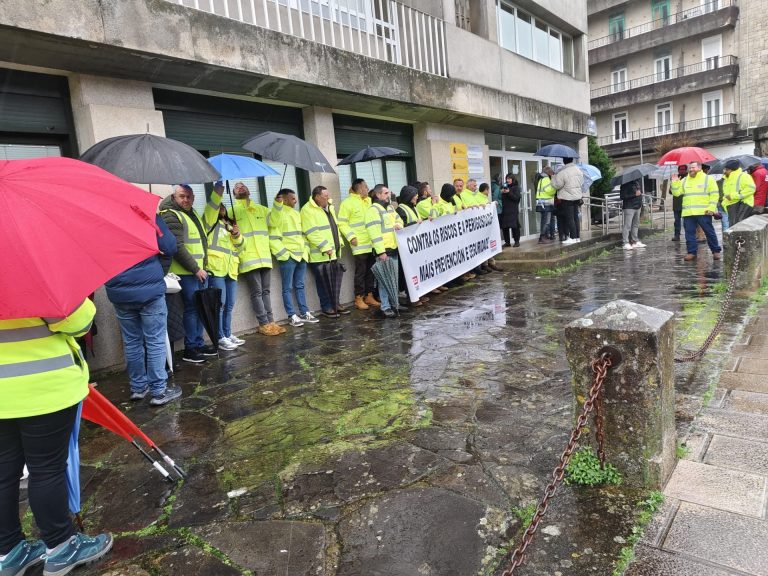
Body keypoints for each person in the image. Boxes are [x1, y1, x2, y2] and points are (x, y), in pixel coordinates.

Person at [0, 300, 113, 576]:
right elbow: (78, 322)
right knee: (46, 468)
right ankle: (62, 545)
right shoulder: (30, 272)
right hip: (43, 389)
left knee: (3, 472)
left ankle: (9, 551)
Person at [105, 214, 182, 404]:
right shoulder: (143, 214)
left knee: (131, 341)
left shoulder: (102, 217)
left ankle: (138, 388)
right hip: (148, 287)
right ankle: (158, 391)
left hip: (118, 289)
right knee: (155, 340)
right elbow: (170, 246)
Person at [159, 184, 222, 363]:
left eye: (188, 196)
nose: (185, 199)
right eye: (182, 196)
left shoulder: (190, 213)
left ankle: (198, 343)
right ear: (174, 197)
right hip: (186, 272)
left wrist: (203, 267)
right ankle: (191, 348)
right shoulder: (171, 215)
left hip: (197, 271)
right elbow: (177, 247)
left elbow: (200, 243)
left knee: (198, 307)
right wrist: (196, 269)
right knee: (192, 308)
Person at [232, 182, 285, 337]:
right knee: (257, 292)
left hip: (264, 257)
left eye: (243, 185)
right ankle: (263, 324)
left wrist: (277, 204)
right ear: (234, 193)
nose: (240, 187)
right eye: (237, 187)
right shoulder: (232, 211)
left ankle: (271, 321)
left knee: (266, 291)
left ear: (249, 190)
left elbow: (275, 222)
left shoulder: (261, 209)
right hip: (248, 258)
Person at [269, 189, 319, 327]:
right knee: (287, 287)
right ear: (284, 199)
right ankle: (291, 315)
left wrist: (305, 250)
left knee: (300, 285)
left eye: (295, 198)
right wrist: (284, 254)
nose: (295, 201)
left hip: (301, 255)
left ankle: (304, 312)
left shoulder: (296, 214)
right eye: (292, 198)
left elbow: (302, 234)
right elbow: (273, 236)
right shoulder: (277, 214)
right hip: (288, 257)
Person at [301, 185, 346, 318]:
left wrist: (339, 243)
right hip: (320, 254)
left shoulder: (329, 207)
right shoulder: (307, 210)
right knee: (322, 283)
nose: (328, 198)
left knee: (334, 281)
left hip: (332, 252)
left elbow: (334, 227)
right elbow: (311, 232)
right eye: (325, 196)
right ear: (317, 197)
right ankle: (327, 306)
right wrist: (325, 246)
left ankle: (335, 303)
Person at [207, 202, 245, 350]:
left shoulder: (230, 225)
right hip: (216, 269)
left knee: (229, 305)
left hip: (231, 270)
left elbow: (242, 246)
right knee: (219, 305)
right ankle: (220, 337)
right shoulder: (210, 223)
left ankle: (228, 334)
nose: (221, 209)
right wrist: (219, 188)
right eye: (218, 207)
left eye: (223, 207)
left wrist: (237, 235)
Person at [337, 178, 379, 311]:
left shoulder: (368, 201)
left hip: (371, 242)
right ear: (359, 188)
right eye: (366, 187)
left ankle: (369, 295)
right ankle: (359, 297)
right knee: (360, 272)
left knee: (371, 271)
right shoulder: (347, 203)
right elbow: (342, 223)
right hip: (359, 243)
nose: (367, 189)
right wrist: (351, 237)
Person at [671, 160, 722, 261]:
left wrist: (711, 208)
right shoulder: (684, 180)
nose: (691, 169)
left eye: (693, 167)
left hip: (704, 212)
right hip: (688, 213)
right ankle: (691, 252)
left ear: (699, 168)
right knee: (689, 233)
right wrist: (675, 182)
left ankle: (716, 251)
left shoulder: (708, 179)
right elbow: (676, 193)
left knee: (709, 232)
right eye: (690, 168)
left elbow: (714, 194)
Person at [366, 184, 404, 318]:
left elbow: (399, 220)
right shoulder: (373, 210)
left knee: (393, 279)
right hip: (384, 251)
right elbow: (374, 233)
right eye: (386, 193)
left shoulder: (389, 208)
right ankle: (385, 307)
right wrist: (381, 252)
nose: (389, 195)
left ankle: (394, 304)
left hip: (393, 248)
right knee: (384, 280)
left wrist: (398, 225)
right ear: (378, 195)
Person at [551, 157, 584, 245]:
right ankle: (577, 237)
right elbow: (581, 182)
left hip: (567, 197)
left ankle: (572, 238)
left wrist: (553, 177)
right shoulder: (578, 170)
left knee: (570, 218)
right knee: (575, 217)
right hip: (577, 197)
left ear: (564, 161)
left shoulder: (563, 172)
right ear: (572, 160)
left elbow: (557, 186)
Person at [722, 159, 756, 226]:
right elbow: (726, 192)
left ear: (731, 170)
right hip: (731, 205)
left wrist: (733, 196)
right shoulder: (726, 179)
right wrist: (725, 199)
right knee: (733, 226)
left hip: (743, 204)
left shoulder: (744, 176)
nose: (724, 171)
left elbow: (751, 189)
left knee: (739, 226)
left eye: (726, 169)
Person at [619, 179, 646, 250]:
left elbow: (639, 193)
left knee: (636, 224)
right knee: (627, 225)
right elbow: (622, 196)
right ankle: (625, 242)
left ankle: (635, 241)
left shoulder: (637, 183)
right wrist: (634, 194)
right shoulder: (625, 184)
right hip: (629, 207)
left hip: (637, 206)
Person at [536, 166, 556, 244]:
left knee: (543, 220)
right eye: (551, 172)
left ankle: (543, 236)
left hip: (541, 203)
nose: (552, 174)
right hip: (546, 203)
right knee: (546, 221)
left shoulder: (541, 179)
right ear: (549, 173)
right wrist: (554, 188)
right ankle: (542, 237)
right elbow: (549, 191)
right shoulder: (547, 179)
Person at [500, 174, 521, 247]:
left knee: (514, 226)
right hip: (505, 210)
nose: (508, 180)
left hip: (513, 210)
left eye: (509, 178)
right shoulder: (504, 186)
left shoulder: (516, 188)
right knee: (505, 227)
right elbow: (500, 198)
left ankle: (517, 241)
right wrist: (501, 192)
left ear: (513, 179)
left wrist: (509, 192)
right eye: (507, 179)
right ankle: (507, 242)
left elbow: (516, 198)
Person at [671, 165, 685, 241]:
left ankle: (689, 235)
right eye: (680, 169)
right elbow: (671, 191)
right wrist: (673, 183)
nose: (682, 171)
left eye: (683, 169)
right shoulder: (675, 178)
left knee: (687, 222)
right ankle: (677, 235)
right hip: (676, 204)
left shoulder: (687, 179)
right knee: (677, 221)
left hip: (685, 204)